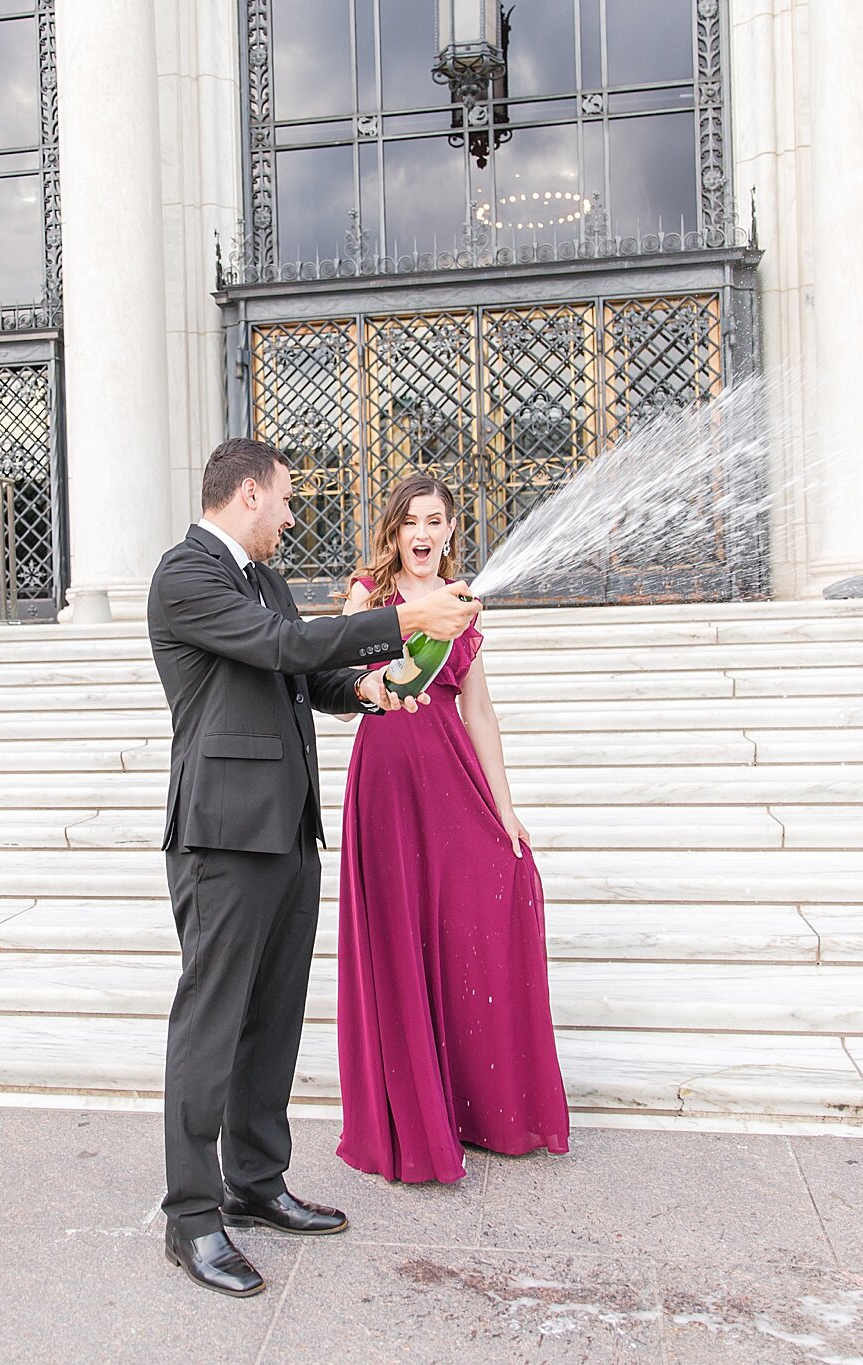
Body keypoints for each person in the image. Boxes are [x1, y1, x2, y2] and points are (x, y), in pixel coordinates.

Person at [146, 439, 483, 1297]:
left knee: (273, 1019)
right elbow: (282, 644)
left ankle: (255, 1184)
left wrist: (370, 689)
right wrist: (406, 617)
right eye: (287, 501)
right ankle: (192, 1218)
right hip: (222, 837)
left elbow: (303, 677)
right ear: (249, 493)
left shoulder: (257, 578)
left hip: (288, 830)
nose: (293, 517)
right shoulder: (186, 575)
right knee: (211, 1024)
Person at [335, 474, 570, 1185]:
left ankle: (479, 1109)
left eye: (434, 519)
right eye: (411, 520)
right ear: (395, 532)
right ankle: (413, 1120)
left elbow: (480, 712)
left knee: (474, 914)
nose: (423, 532)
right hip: (386, 783)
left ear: (448, 529)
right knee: (400, 938)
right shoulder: (367, 597)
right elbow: (340, 686)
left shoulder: (463, 604)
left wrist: (506, 807)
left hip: (452, 782)